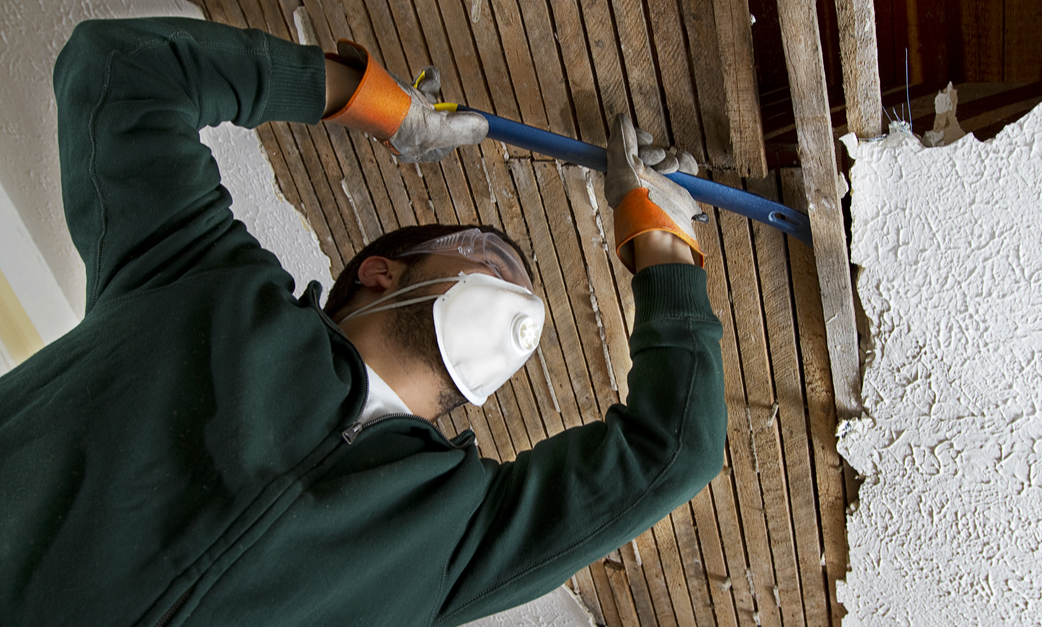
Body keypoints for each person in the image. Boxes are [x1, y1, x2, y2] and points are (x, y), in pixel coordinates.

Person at [0, 16, 725, 627]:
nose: (517, 302)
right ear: (382, 271)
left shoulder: (456, 534)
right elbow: (118, 73)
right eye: (491, 259)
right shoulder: (200, 278)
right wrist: (368, 101)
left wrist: (660, 240)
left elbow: (673, 450)